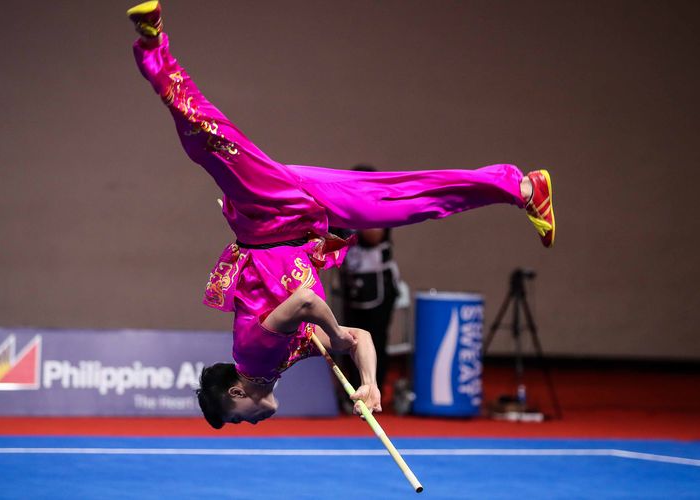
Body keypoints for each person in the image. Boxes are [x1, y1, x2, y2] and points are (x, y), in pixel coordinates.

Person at [126, 1, 556, 428]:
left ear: (236, 393)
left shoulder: (255, 355)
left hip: (271, 216)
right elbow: (362, 338)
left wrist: (333, 335)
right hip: (299, 216)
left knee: (206, 137)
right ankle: (520, 188)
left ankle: (154, 45)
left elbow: (308, 302)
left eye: (237, 419)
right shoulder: (277, 362)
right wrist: (368, 381)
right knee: (403, 202)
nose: (250, 423)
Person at [332, 165, 401, 403]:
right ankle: (352, 391)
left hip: (378, 285)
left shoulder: (377, 208)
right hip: (353, 285)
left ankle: (375, 388)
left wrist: (354, 213)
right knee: (348, 338)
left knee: (376, 338)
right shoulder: (344, 210)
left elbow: (374, 236)